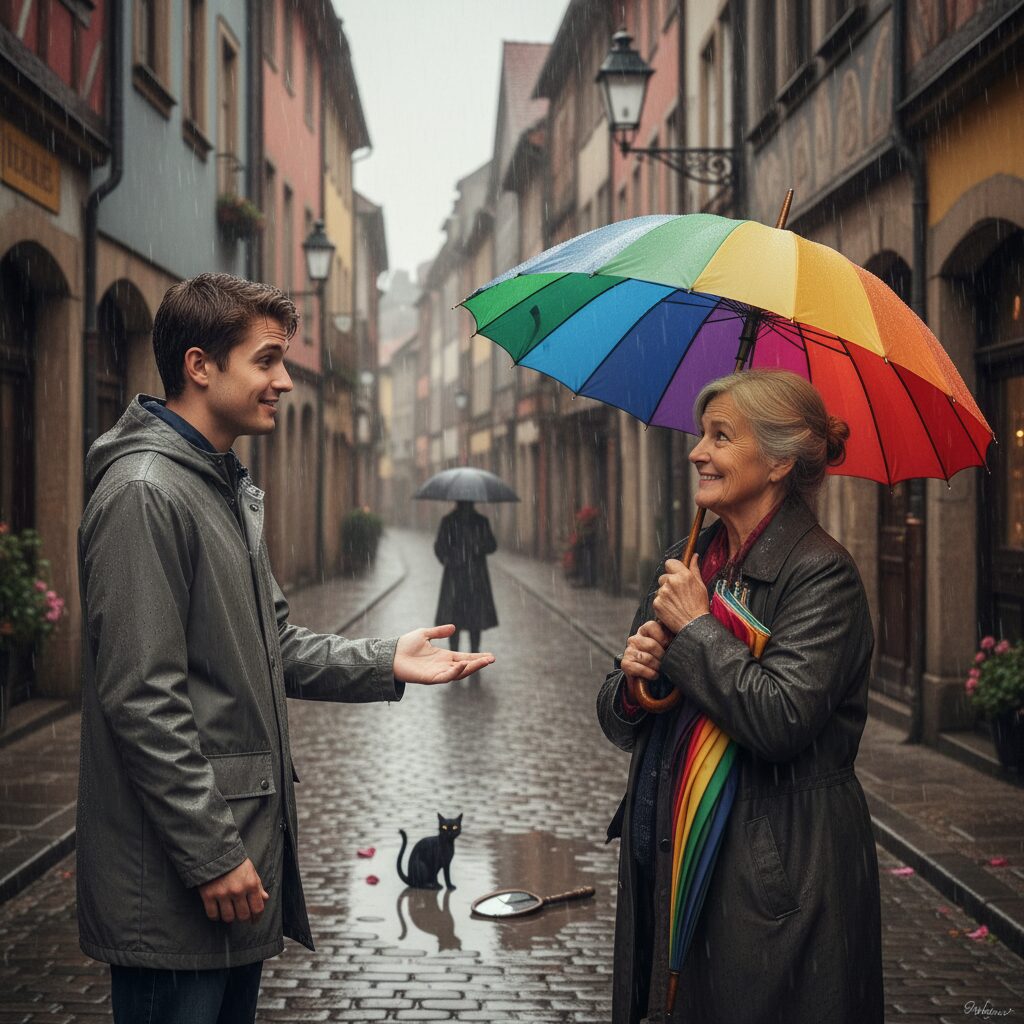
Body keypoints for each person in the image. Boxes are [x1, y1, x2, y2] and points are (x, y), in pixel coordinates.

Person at [76, 273, 494, 1024]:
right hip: (180, 878)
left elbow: (270, 643)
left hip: (228, 864)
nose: (284, 382)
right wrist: (212, 852)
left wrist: (383, 659)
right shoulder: (147, 492)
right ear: (201, 366)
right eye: (268, 360)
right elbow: (142, 699)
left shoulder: (216, 484)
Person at [597, 369, 883, 1024]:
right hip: (675, 854)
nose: (697, 452)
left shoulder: (821, 574)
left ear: (780, 460)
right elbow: (620, 715)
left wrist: (696, 630)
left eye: (720, 436)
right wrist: (636, 685)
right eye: (702, 434)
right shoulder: (692, 558)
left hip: (774, 877)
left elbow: (780, 718)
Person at [433, 500, 498, 652]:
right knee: (454, 619)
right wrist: (448, 558)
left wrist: (478, 547)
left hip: (475, 578)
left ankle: (473, 653)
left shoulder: (481, 522)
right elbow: (439, 547)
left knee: (474, 620)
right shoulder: (448, 521)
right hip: (456, 578)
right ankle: (455, 653)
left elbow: (492, 545)